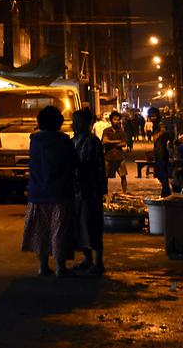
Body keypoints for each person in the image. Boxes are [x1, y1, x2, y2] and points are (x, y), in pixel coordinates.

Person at [21, 105, 78, 278]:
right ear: (58, 123)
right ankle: (60, 267)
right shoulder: (63, 140)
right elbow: (73, 162)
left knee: (41, 230)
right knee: (59, 230)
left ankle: (42, 266)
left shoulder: (35, 140)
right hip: (60, 192)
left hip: (38, 192)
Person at [71, 109, 107, 275]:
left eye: (78, 122)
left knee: (92, 224)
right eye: (74, 121)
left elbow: (86, 165)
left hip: (91, 190)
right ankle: (87, 259)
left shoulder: (92, 142)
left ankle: (98, 262)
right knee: (80, 225)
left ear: (88, 124)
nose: (75, 125)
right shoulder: (74, 141)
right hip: (77, 191)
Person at [102, 111, 128, 194]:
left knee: (123, 176)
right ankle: (104, 193)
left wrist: (110, 142)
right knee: (104, 176)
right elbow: (104, 141)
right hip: (108, 157)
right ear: (111, 120)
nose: (116, 121)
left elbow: (124, 144)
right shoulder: (106, 130)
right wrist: (117, 141)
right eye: (114, 119)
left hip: (119, 157)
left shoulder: (122, 132)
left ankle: (124, 193)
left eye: (118, 119)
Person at [153, 122, 173, 198]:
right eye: (161, 126)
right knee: (159, 174)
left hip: (163, 155)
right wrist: (160, 133)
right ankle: (166, 190)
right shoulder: (158, 133)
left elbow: (170, 142)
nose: (162, 128)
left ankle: (165, 191)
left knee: (163, 174)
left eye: (163, 126)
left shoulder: (166, 135)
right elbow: (154, 139)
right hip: (158, 154)